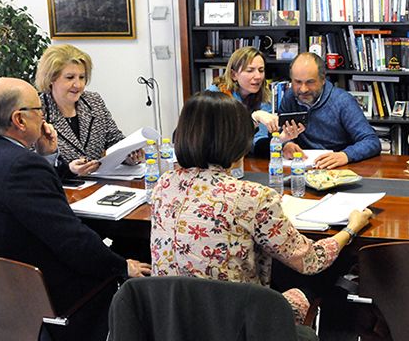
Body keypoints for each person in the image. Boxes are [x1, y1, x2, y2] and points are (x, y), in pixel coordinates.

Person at [0, 77, 151, 341]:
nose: (44, 117)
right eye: (39, 110)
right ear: (19, 120)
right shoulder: (20, 166)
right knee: (134, 252)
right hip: (34, 295)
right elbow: (70, 239)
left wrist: (46, 157)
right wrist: (123, 266)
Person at [150, 91, 372, 324]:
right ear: (236, 140)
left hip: (173, 320)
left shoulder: (163, 185)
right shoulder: (252, 197)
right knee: (316, 281)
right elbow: (311, 260)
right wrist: (351, 228)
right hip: (236, 323)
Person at [35, 44, 142, 177]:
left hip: (99, 186)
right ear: (51, 78)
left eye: (82, 77)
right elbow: (32, 164)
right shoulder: (36, 111)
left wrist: (129, 155)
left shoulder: (93, 102)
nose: (78, 85)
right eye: (70, 77)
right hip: (60, 189)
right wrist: (68, 170)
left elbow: (114, 139)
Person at [278, 52, 381, 169]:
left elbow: (371, 141)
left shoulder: (342, 101)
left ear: (323, 80)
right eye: (297, 82)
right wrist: (286, 144)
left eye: (310, 82)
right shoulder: (290, 97)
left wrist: (345, 155)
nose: (303, 89)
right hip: (301, 167)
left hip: (336, 169)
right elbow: (279, 132)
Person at [208, 46, 303, 156]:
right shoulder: (215, 96)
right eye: (250, 70)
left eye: (261, 70)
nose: (258, 76)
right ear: (234, 75)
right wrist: (254, 119)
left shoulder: (265, 98)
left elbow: (256, 145)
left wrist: (282, 139)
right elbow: (225, 140)